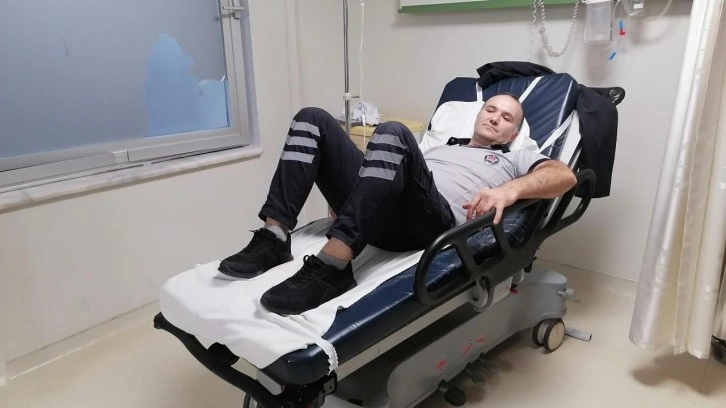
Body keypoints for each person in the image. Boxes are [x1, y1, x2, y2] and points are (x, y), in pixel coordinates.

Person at [218, 93, 577, 315]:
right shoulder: (439, 147)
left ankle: (333, 267)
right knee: (311, 118)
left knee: (394, 130)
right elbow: (385, 174)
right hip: (382, 211)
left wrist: (509, 191)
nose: (495, 117)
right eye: (490, 109)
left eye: (506, 117)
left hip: (429, 222)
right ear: (479, 114)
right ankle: (275, 236)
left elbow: (564, 177)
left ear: (514, 133)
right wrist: (354, 197)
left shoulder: (515, 158)